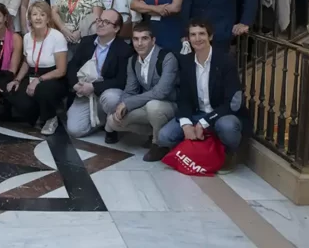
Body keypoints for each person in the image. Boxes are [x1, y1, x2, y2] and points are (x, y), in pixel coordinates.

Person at [156, 20, 247, 173]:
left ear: (210, 37)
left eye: (202, 34)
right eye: (193, 35)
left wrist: (204, 122)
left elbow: (233, 102)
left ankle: (228, 154)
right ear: (188, 39)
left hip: (221, 114)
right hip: (196, 114)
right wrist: (186, 124)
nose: (197, 39)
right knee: (164, 136)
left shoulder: (225, 61)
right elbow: (183, 98)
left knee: (228, 127)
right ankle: (195, 149)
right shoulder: (185, 61)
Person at [105, 23, 179, 161]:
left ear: (153, 40)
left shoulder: (167, 58)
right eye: (135, 39)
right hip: (147, 105)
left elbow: (161, 92)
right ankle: (153, 132)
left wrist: (128, 103)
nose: (139, 43)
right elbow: (130, 90)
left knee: (154, 106)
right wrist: (122, 106)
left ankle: (159, 145)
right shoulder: (132, 60)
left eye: (144, 38)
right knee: (114, 121)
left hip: (169, 105)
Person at [65, 10, 133, 141]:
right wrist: (75, 84)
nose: (100, 24)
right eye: (99, 20)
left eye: (106, 22)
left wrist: (94, 87)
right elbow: (72, 66)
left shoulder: (124, 50)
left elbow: (121, 81)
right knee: (75, 130)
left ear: (116, 28)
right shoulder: (86, 42)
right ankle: (101, 120)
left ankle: (111, 126)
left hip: (105, 93)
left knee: (111, 98)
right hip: (84, 93)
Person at [8, 1, 68, 135]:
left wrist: (38, 80)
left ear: (48, 18)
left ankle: (51, 117)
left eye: (42, 14)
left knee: (43, 90)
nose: (38, 18)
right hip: (33, 73)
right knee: (13, 92)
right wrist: (17, 80)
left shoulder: (57, 37)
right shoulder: (27, 37)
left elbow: (61, 70)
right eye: (34, 14)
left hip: (53, 77)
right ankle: (37, 114)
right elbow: (26, 62)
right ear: (29, 18)